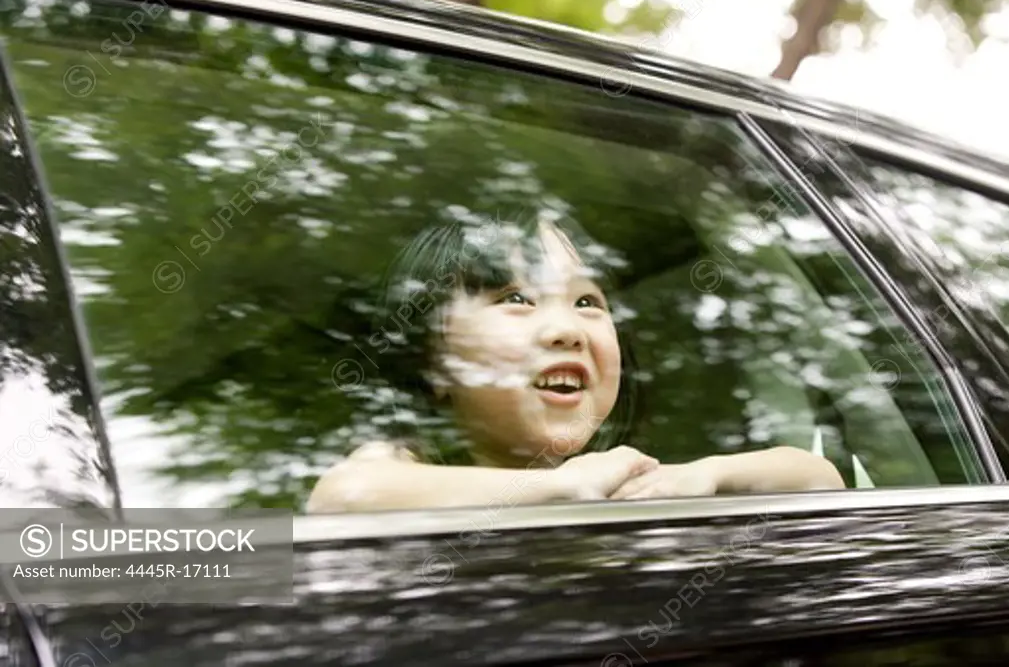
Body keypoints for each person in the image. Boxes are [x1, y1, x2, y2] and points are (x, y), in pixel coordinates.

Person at [307, 211, 844, 513]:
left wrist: (705, 476)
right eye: (516, 299)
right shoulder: (406, 463)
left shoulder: (623, 476)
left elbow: (818, 477)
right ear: (434, 365)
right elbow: (340, 497)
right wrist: (553, 490)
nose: (568, 329)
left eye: (587, 302)